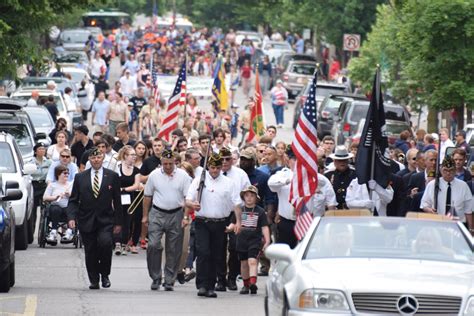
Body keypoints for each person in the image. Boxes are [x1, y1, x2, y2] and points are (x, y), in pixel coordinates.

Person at [185, 153, 242, 298]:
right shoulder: (199, 181)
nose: (215, 170)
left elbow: (236, 203)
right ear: (208, 167)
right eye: (212, 167)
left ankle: (211, 285)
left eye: (217, 167)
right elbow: (187, 200)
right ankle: (202, 284)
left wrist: (238, 222)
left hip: (220, 222)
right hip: (202, 221)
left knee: (216, 254)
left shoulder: (229, 183)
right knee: (203, 252)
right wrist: (193, 204)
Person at [67, 147, 123, 290]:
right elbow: (73, 200)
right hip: (86, 219)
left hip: (106, 219)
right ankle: (93, 279)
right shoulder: (80, 177)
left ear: (103, 158)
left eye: (98, 158)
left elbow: (117, 201)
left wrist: (118, 222)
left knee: (105, 245)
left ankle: (105, 275)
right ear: (89, 160)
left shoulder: (112, 176)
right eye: (93, 158)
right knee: (90, 250)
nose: (96, 160)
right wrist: (71, 217)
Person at [142, 149, 192, 291]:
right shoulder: (154, 175)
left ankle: (170, 279)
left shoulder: (183, 176)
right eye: (165, 164)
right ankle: (156, 277)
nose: (168, 167)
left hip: (176, 213)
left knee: (174, 248)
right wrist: (145, 216)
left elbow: (187, 198)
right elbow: (147, 196)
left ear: (175, 162)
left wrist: (186, 216)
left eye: (170, 164)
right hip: (157, 212)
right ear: (161, 162)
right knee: (153, 244)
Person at [217, 147, 250, 291]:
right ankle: (220, 278)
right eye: (222, 159)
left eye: (227, 159)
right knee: (218, 247)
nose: (224, 162)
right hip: (218, 213)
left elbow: (249, 194)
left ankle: (232, 277)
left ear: (232, 160)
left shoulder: (240, 174)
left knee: (235, 246)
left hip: (236, 213)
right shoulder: (213, 173)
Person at [227, 186, 270, 295]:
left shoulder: (260, 212)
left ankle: (252, 283)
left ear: (256, 198)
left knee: (253, 261)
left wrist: (267, 240)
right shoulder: (239, 210)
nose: (249, 198)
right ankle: (245, 285)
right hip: (241, 240)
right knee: (244, 263)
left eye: (252, 196)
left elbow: (265, 227)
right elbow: (233, 223)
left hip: (254, 241)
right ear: (243, 197)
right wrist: (228, 228)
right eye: (247, 196)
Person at [421, 156, 472, 228]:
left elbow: (468, 210)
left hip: (458, 225)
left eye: (451, 170)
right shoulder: (433, 185)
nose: (448, 173)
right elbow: (424, 204)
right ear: (441, 170)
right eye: (445, 170)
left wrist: (471, 229)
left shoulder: (463, 186)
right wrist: (430, 210)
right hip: (437, 224)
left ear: (455, 171)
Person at [115, 146, 141, 255]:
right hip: (117, 197)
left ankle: (125, 243)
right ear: (125, 156)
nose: (134, 157)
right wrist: (118, 190)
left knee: (128, 221)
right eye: (132, 155)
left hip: (130, 197)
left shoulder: (136, 170)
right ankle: (117, 243)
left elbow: (136, 185)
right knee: (117, 219)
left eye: (135, 155)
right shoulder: (118, 167)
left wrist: (124, 189)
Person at [43, 165, 74, 245]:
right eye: (65, 173)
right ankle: (53, 231)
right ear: (58, 174)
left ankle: (69, 231)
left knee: (72, 210)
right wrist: (54, 197)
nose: (67, 175)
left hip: (67, 207)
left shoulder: (71, 185)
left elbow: (77, 197)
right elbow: (45, 197)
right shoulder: (52, 185)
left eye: (68, 173)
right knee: (55, 209)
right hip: (56, 206)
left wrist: (69, 194)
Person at [31, 143, 52, 237]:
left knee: (46, 209)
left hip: (44, 185)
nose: (42, 151)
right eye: (40, 149)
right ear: (35, 151)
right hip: (34, 185)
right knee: (32, 210)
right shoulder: (30, 162)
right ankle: (31, 232)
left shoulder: (48, 162)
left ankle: (45, 230)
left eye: (43, 149)